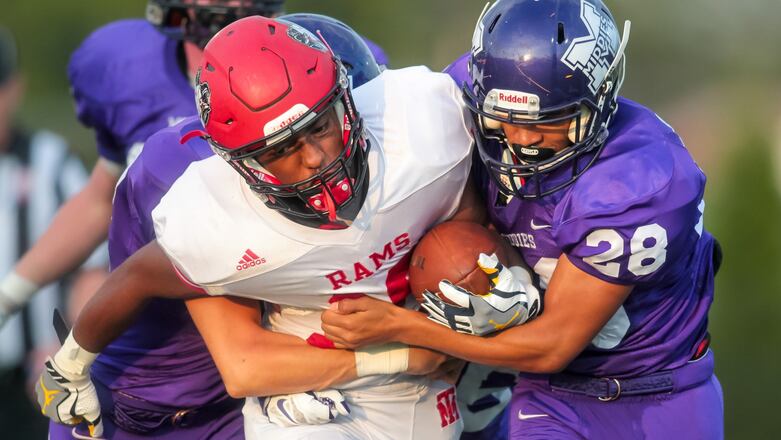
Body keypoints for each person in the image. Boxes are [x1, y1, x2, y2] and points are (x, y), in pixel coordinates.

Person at [37, 15, 488, 439]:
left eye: (321, 126)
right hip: (140, 404)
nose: (314, 158)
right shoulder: (207, 207)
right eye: (282, 149)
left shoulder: (427, 122)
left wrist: (498, 292)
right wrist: (70, 363)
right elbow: (141, 282)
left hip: (309, 401)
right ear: (237, 164)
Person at [319, 0, 725, 438]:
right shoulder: (469, 91)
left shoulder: (641, 181)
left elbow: (552, 346)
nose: (522, 139)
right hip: (545, 393)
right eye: (506, 118)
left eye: (549, 121)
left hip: (657, 392)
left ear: (601, 98)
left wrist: (403, 326)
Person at [0, 27, 107, 439]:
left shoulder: (51, 162)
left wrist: (72, 356)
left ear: (14, 88)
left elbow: (92, 272)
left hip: (32, 380)